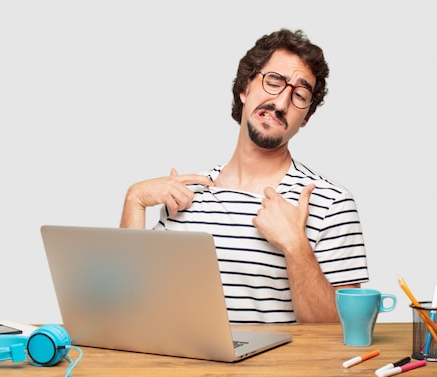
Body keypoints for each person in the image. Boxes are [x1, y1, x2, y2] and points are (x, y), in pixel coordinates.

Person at [120, 28, 369, 324]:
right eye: (274, 81)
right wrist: (134, 200)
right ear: (245, 88)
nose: (281, 103)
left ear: (306, 118)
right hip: (185, 369)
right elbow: (127, 309)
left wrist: (295, 245)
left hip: (275, 371)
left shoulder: (331, 204)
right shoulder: (186, 194)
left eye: (300, 95)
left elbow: (340, 335)